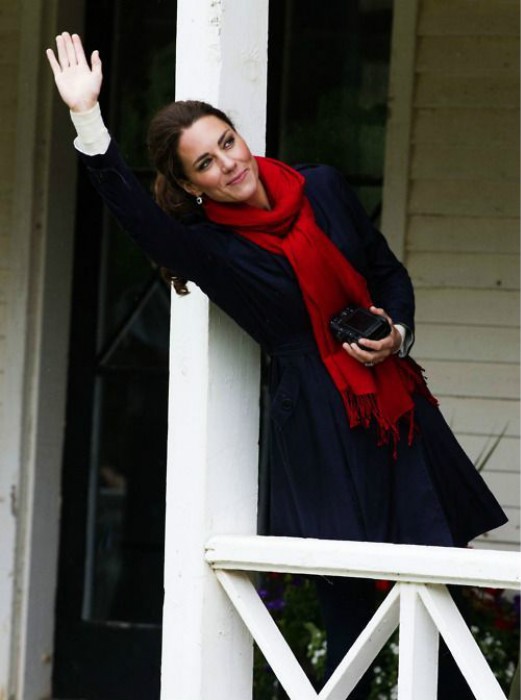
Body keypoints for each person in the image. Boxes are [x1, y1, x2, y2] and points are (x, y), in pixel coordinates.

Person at [46, 32, 507, 698]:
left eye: (227, 142)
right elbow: (136, 217)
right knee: (349, 611)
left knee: (442, 593)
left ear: (241, 136)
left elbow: (386, 271)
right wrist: (87, 119)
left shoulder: (323, 187)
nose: (228, 164)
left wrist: (396, 331)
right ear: (190, 185)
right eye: (205, 163)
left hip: (396, 411)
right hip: (319, 425)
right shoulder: (210, 249)